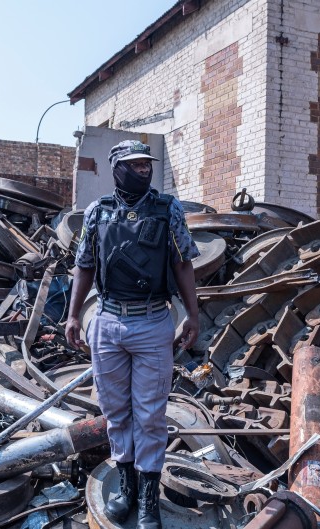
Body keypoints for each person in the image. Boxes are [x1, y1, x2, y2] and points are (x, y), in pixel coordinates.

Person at [65, 140, 200, 528]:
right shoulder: (97, 212)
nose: (143, 171)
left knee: (150, 416)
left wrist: (192, 314)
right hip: (107, 323)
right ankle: (126, 488)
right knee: (115, 413)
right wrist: (73, 315)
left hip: (154, 322)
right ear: (116, 168)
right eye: (134, 166)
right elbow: (85, 264)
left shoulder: (168, 209)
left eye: (147, 165)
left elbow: (183, 263)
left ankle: (148, 501)